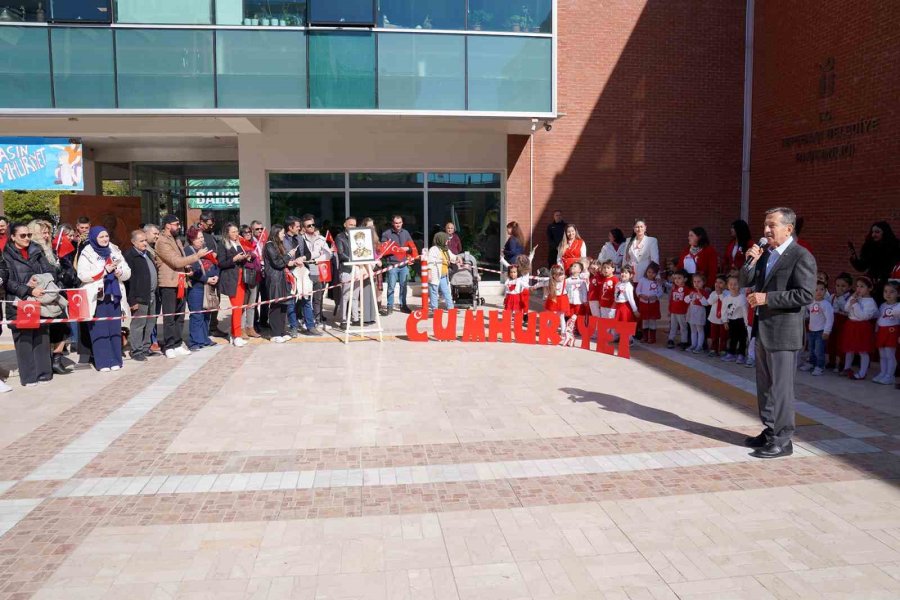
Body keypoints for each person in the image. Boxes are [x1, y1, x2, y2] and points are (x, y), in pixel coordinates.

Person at [741, 206, 816, 459]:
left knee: (781, 389)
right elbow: (744, 280)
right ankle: (770, 430)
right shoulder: (765, 254)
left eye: (772, 225)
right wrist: (750, 259)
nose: (766, 230)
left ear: (788, 228)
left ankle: (783, 441)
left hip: (784, 333)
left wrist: (767, 298)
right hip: (763, 330)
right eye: (765, 225)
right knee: (765, 387)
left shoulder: (801, 256)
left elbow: (805, 295)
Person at [1, 223, 57, 386]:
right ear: (13, 237)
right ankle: (29, 377)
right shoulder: (6, 255)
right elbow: (7, 281)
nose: (27, 238)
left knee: (41, 337)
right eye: (23, 236)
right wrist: (28, 289)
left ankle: (44, 373)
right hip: (19, 302)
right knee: (24, 341)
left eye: (29, 235)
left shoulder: (37, 251)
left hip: (40, 299)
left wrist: (40, 281)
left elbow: (50, 271)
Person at [76, 226, 131, 372]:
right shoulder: (87, 252)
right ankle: (103, 361)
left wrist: (119, 272)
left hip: (114, 296)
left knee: (114, 329)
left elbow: (127, 272)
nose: (105, 239)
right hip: (97, 297)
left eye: (106, 236)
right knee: (99, 330)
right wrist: (104, 271)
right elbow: (82, 275)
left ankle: (115, 359)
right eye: (101, 237)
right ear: (94, 238)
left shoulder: (114, 250)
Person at [29, 220, 78, 374]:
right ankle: (47, 361)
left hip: (57, 293)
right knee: (46, 331)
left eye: (48, 232)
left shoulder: (51, 250)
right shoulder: (33, 251)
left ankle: (57, 359)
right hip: (43, 295)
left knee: (62, 327)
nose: (47, 235)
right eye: (43, 232)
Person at [156, 215, 207, 359]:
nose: (178, 227)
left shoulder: (176, 239)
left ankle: (177, 344)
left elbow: (181, 262)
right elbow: (175, 261)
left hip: (181, 281)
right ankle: (169, 345)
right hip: (168, 283)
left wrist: (188, 268)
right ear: (167, 225)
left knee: (179, 316)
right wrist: (197, 256)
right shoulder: (162, 241)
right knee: (169, 317)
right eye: (176, 224)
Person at [264, 224, 302, 343]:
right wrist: (288, 255)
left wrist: (292, 261)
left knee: (284, 305)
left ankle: (281, 331)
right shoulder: (269, 245)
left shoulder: (278, 245)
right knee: (276, 305)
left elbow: (283, 262)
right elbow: (277, 263)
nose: (283, 235)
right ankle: (275, 333)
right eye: (281, 233)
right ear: (276, 233)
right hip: (275, 279)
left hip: (283, 278)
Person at [124, 229, 158, 361]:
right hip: (139, 297)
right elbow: (129, 281)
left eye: (145, 240)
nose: (145, 243)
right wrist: (132, 300)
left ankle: (145, 348)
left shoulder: (147, 254)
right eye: (141, 241)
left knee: (150, 323)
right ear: (133, 242)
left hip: (152, 295)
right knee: (138, 324)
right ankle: (136, 350)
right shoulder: (129, 256)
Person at [184, 227, 220, 351]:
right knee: (197, 315)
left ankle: (204, 338)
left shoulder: (205, 251)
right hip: (196, 287)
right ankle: (195, 341)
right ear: (191, 239)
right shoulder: (188, 251)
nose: (201, 240)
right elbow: (192, 271)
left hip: (208, 287)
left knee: (206, 314)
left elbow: (215, 264)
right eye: (198, 238)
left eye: (202, 238)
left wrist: (216, 276)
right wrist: (206, 279)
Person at [216, 223, 251, 347]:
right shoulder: (223, 244)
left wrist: (246, 257)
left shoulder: (239, 243)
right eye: (233, 232)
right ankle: (236, 335)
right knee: (236, 308)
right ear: (227, 233)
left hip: (241, 277)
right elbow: (221, 263)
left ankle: (233, 333)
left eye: (237, 231)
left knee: (239, 307)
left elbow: (242, 259)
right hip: (231, 279)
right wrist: (234, 259)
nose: (236, 234)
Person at [849, 221, 900, 302]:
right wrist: (854, 259)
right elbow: (862, 267)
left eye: (877, 232)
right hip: (873, 283)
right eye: (872, 232)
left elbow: (895, 267)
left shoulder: (895, 247)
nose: (873, 235)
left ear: (885, 233)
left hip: (889, 284)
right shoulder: (869, 247)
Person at [841, 276, 878, 380]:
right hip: (851, 325)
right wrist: (852, 299)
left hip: (861, 327)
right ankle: (847, 368)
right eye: (857, 286)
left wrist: (856, 304)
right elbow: (846, 309)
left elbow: (862, 316)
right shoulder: (856, 298)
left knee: (863, 351)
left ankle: (862, 373)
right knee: (849, 349)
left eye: (862, 286)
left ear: (869, 288)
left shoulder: (870, 302)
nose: (858, 289)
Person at [380, 215, 418, 315]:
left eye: (400, 223)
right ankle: (389, 307)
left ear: (402, 223)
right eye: (396, 223)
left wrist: (407, 249)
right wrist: (396, 249)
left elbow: (412, 247)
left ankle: (403, 306)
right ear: (393, 223)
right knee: (391, 287)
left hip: (404, 264)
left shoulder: (406, 233)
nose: (398, 225)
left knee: (403, 286)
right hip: (392, 264)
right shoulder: (386, 234)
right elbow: (382, 250)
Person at [301, 214, 332, 328]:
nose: (312, 227)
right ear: (303, 228)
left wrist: (317, 259)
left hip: (317, 267)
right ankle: (305, 320)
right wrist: (314, 256)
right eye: (309, 226)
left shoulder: (321, 238)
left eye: (313, 225)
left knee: (318, 296)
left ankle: (317, 320)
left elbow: (329, 254)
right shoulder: (300, 239)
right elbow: (302, 254)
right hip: (304, 268)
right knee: (305, 296)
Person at [799, 282, 834, 376]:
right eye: (816, 290)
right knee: (811, 349)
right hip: (812, 330)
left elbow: (830, 318)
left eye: (822, 289)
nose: (819, 292)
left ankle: (820, 366)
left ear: (825, 291)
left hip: (821, 331)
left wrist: (827, 331)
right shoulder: (811, 302)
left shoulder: (826, 304)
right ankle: (811, 363)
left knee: (819, 350)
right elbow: (806, 308)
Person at [336, 217, 361, 327]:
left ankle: (355, 318)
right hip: (346, 269)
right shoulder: (339, 237)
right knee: (345, 296)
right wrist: (352, 259)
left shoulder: (357, 237)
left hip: (357, 268)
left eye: (354, 225)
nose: (352, 227)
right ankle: (343, 320)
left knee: (355, 296)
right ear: (345, 225)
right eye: (350, 224)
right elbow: (341, 254)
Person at [426, 231, 458, 313]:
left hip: (443, 275)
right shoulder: (433, 249)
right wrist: (429, 274)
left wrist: (458, 258)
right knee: (434, 291)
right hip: (435, 275)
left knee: (446, 291)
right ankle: (434, 308)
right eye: (446, 239)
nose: (448, 241)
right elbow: (430, 262)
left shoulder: (445, 249)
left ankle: (450, 307)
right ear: (441, 239)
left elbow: (452, 257)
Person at [874, 281, 898, 385]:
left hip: (892, 332)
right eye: (886, 291)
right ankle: (883, 373)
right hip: (882, 332)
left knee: (890, 354)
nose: (888, 294)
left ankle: (890, 375)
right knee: (882, 355)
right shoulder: (882, 305)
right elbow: (879, 318)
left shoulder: (899, 306)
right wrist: (876, 330)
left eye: (892, 292)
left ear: (898, 294)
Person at [827, 273, 853, 372]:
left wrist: (841, 297)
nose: (840, 288)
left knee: (842, 343)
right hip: (833, 321)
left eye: (843, 286)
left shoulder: (850, 298)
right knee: (832, 342)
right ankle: (831, 361)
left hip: (844, 322)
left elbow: (847, 309)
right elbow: (828, 308)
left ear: (849, 287)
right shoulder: (832, 296)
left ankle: (842, 363)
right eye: (838, 285)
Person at [722, 275, 749, 364]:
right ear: (727, 286)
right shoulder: (726, 298)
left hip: (741, 321)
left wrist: (746, 323)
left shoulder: (742, 298)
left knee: (742, 339)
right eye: (731, 284)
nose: (733, 286)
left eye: (735, 284)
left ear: (739, 285)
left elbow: (745, 311)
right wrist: (725, 321)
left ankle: (741, 355)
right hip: (731, 321)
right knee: (732, 338)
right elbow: (724, 310)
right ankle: (731, 353)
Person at [635, 262, 662, 344]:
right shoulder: (642, 280)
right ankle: (645, 336)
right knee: (645, 320)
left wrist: (656, 296)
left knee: (652, 320)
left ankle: (652, 337)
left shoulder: (657, 282)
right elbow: (637, 290)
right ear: (646, 272)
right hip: (643, 303)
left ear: (656, 274)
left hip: (653, 304)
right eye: (649, 272)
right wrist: (641, 295)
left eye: (653, 273)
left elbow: (660, 292)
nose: (650, 274)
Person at [613, 265, 639, 342]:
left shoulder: (628, 286)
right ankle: (620, 336)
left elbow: (631, 299)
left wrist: (635, 310)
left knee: (626, 322)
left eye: (626, 273)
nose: (623, 274)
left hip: (625, 307)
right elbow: (615, 295)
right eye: (622, 272)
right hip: (618, 306)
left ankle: (629, 339)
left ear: (630, 275)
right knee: (619, 322)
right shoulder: (618, 284)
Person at [705, 275, 729, 357]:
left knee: (723, 335)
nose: (717, 284)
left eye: (721, 283)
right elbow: (709, 302)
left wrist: (721, 295)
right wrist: (717, 295)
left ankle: (722, 349)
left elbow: (725, 303)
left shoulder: (727, 294)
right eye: (716, 282)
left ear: (726, 285)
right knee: (714, 335)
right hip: (714, 318)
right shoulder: (713, 293)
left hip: (724, 319)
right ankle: (713, 349)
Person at [666, 270, 690, 349]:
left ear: (685, 279)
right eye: (675, 278)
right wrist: (670, 310)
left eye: (679, 278)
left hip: (682, 312)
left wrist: (687, 312)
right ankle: (671, 339)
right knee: (673, 326)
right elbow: (671, 300)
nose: (676, 280)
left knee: (683, 327)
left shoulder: (687, 289)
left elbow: (688, 302)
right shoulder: (674, 288)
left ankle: (684, 341)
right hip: (674, 311)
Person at [686, 273, 709, 354]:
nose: (696, 283)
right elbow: (686, 300)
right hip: (692, 311)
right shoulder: (692, 291)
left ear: (703, 282)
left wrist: (701, 297)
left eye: (699, 281)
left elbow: (706, 303)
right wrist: (689, 297)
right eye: (694, 281)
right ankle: (693, 344)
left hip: (700, 312)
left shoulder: (704, 292)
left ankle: (699, 346)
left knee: (700, 329)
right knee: (693, 330)